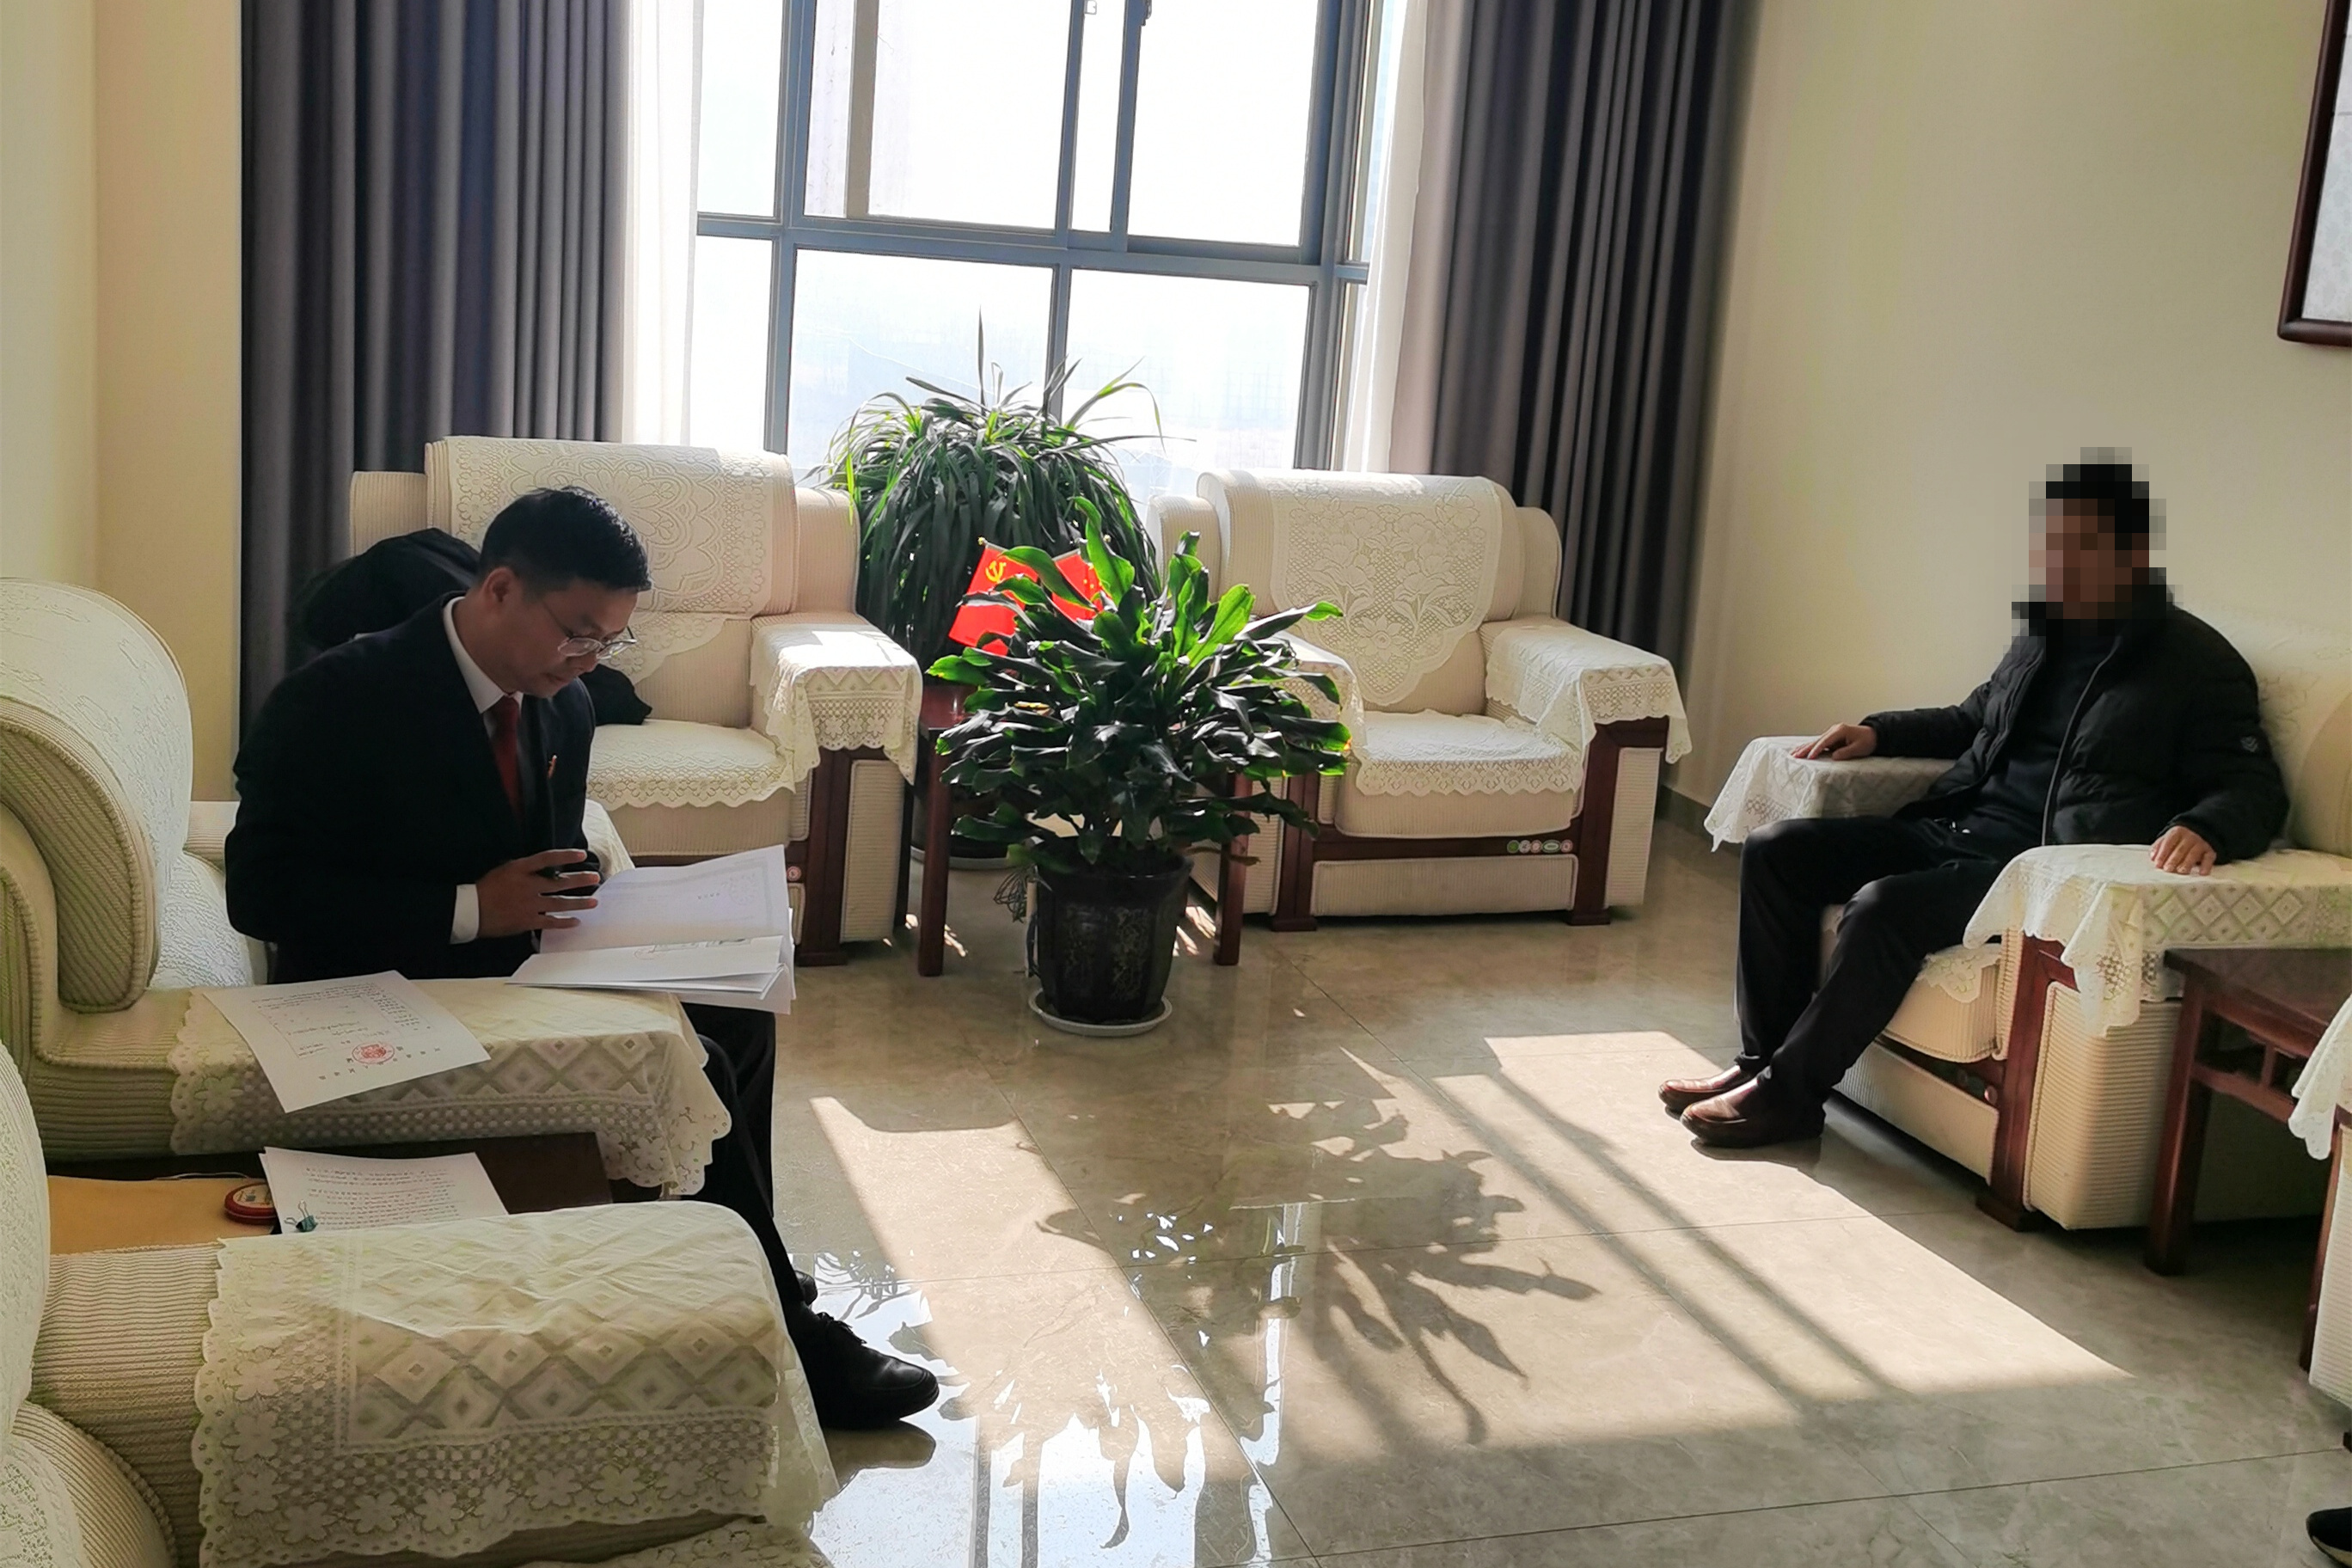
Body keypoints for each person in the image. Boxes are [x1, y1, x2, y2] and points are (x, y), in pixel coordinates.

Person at [226, 485, 937, 1426]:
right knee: (694, 1060)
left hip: (516, 966)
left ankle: (740, 1263)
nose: (591, 661)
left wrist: (598, 898)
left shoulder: (561, 708)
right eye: (577, 633)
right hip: (384, 990)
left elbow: (540, 858)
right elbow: (261, 893)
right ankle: (791, 1332)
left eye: (611, 640)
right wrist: (471, 909)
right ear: (500, 590)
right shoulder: (338, 698)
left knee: (740, 1014)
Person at [1663, 456, 2288, 1148]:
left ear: (2134, 555)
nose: (2058, 565)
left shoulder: (2197, 664)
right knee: (1779, 851)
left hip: (2034, 872)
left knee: (1884, 906)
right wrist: (1880, 732)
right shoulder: (2044, 633)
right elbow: (1974, 717)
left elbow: (2254, 785)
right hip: (1956, 827)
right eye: (2052, 545)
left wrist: (2208, 824)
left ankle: (1789, 1097)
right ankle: (1760, 1064)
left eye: (2080, 548)